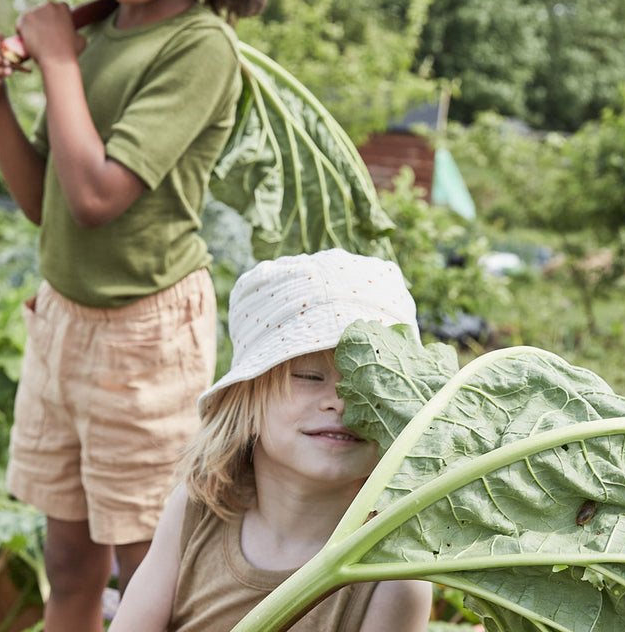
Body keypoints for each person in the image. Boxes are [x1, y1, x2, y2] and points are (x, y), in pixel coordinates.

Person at [0, 0, 295, 630]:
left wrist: (57, 62)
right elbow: (45, 200)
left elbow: (101, 195)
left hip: (144, 340)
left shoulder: (200, 47)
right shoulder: (100, 36)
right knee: (68, 558)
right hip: (61, 323)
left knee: (149, 565)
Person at [110, 248, 433, 632]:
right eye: (309, 377)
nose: (340, 402)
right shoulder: (199, 507)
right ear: (246, 400)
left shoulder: (392, 578)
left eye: (369, 384)